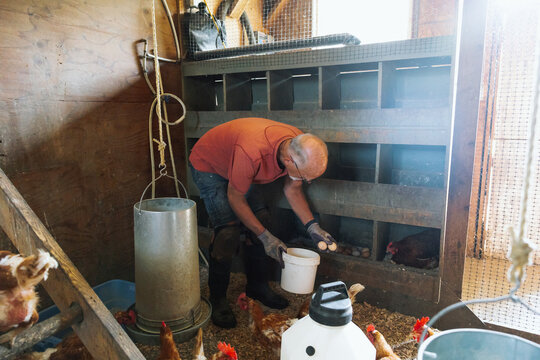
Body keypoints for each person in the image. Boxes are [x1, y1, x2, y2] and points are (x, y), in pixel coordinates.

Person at [189, 117, 336, 328]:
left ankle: (257, 286)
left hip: (240, 163)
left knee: (262, 220)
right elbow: (235, 197)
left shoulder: (298, 145)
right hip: (210, 165)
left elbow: (292, 189)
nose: (308, 182)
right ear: (289, 162)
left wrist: (312, 226)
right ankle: (218, 298)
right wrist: (266, 238)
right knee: (227, 234)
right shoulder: (252, 152)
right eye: (306, 178)